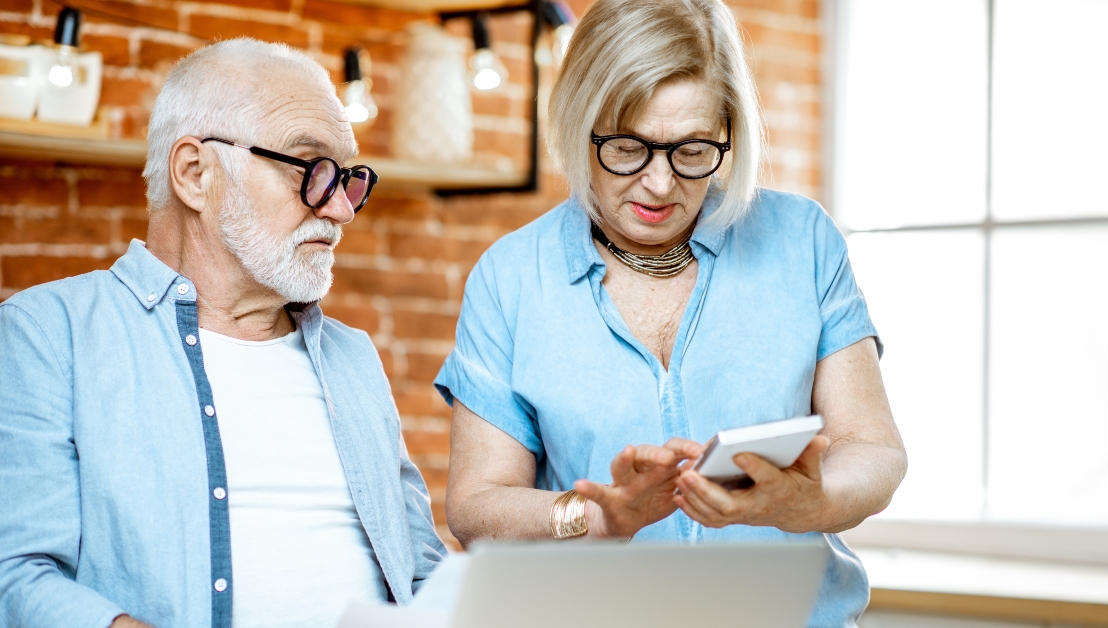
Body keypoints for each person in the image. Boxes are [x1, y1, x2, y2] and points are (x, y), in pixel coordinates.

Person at [435, 0, 906, 625]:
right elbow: (475, 508)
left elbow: (872, 449)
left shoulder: (802, 242)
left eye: (691, 151)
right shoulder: (512, 277)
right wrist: (598, 519)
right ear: (580, 122)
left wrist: (807, 503)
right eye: (628, 147)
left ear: (728, 133)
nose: (659, 185)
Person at [0, 39, 445, 628]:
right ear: (194, 173)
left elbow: (421, 570)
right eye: (312, 170)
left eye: (349, 178)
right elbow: (17, 578)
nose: (339, 209)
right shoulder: (46, 336)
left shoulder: (352, 357)